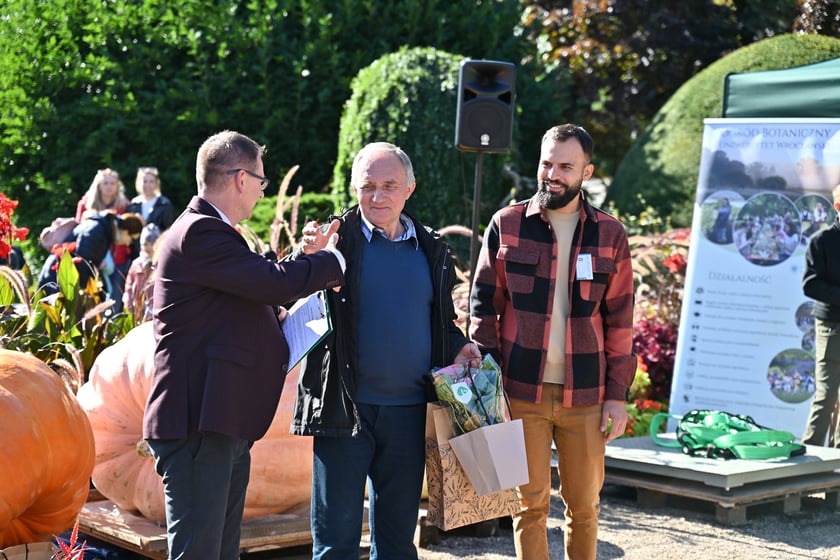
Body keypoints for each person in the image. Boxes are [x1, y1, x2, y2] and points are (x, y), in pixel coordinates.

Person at [141, 130, 345, 560]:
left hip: (218, 422)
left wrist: (303, 260)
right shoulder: (200, 232)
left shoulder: (213, 234)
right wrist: (332, 261)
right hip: (197, 423)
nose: (261, 190)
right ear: (240, 178)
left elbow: (256, 284)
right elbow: (270, 283)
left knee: (219, 553)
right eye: (261, 181)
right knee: (200, 554)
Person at [292, 141, 480, 560]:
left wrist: (459, 346)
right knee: (335, 546)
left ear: (409, 189)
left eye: (389, 186)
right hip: (343, 410)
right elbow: (286, 292)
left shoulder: (431, 249)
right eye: (367, 186)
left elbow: (440, 322)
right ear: (354, 189)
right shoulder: (333, 242)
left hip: (409, 414)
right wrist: (307, 257)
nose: (377, 196)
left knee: (396, 545)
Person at [469, 124, 635, 560]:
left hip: (587, 395)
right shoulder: (507, 224)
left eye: (565, 166)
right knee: (528, 507)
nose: (553, 174)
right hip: (521, 392)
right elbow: (483, 306)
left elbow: (620, 321)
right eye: (547, 164)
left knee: (585, 508)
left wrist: (617, 396)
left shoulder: (610, 234)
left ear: (586, 172)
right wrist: (490, 386)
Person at [801, 183, 840, 448]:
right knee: (826, 396)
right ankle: (811, 459)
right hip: (831, 326)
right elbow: (810, 285)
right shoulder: (821, 240)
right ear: (838, 207)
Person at [36, 211, 144, 298]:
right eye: (131, 239)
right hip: (56, 277)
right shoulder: (97, 229)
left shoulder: (103, 229)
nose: (128, 244)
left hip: (63, 278)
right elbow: (82, 260)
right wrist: (89, 291)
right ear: (125, 231)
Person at [76, 168, 133, 311]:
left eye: (112, 183)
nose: (109, 187)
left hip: (118, 259)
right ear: (99, 185)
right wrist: (95, 260)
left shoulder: (125, 206)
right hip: (94, 259)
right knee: (92, 299)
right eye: (106, 183)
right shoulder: (86, 204)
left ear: (118, 186)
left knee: (115, 299)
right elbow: (80, 232)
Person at [122, 222, 162, 322]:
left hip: (155, 311)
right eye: (145, 244)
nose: (149, 248)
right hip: (138, 309)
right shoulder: (136, 264)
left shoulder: (161, 264)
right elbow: (129, 285)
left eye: (152, 244)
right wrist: (128, 304)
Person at [126, 166, 177, 232]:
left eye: (151, 181)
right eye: (145, 181)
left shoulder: (165, 204)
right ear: (138, 183)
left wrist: (146, 225)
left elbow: (170, 230)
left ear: (156, 184)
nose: (148, 185)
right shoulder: (133, 204)